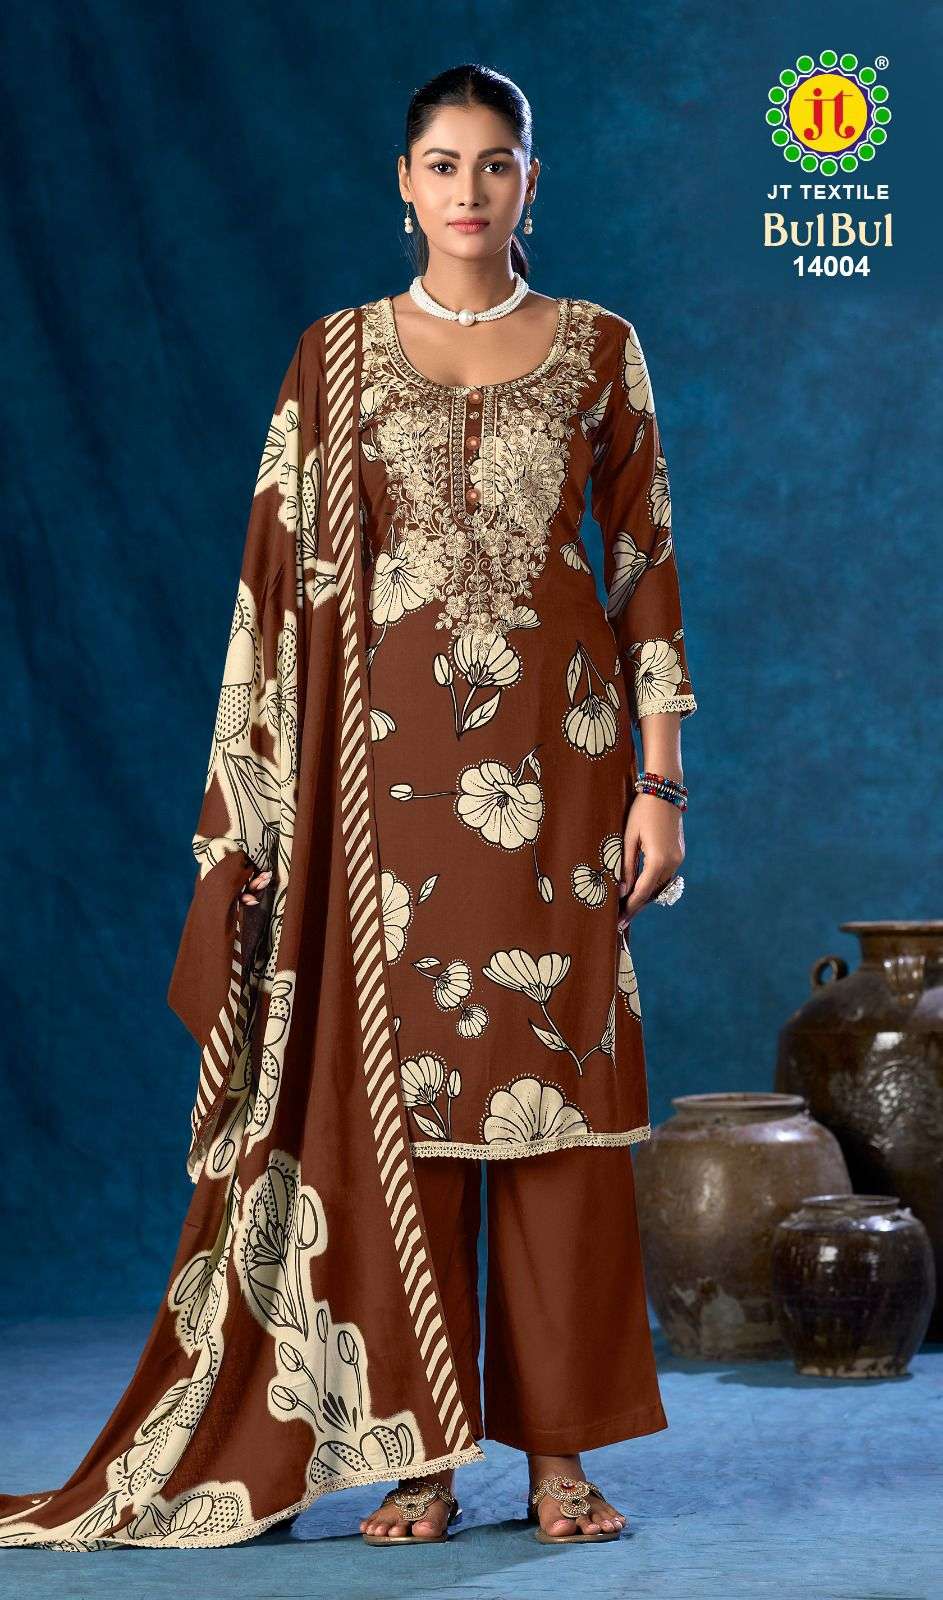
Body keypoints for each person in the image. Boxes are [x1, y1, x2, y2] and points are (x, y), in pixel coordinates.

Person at [0, 63, 696, 1553]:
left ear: (531, 181)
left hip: (566, 776)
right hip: (381, 793)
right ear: (403, 181)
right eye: (443, 164)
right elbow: (275, 589)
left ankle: (558, 1458)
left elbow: (643, 566)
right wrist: (264, 818)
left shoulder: (600, 347)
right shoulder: (334, 357)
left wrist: (660, 782)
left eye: (496, 164)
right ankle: (420, 1453)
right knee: (403, 1116)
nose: (468, 191)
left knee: (557, 1112)